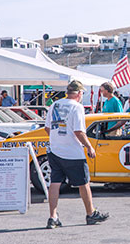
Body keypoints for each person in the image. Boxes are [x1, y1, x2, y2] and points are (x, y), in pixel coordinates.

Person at [45, 80, 109, 229]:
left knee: (55, 183)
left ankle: (52, 216)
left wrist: (58, 139)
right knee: (83, 183)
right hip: (72, 152)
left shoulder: (54, 104)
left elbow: (48, 128)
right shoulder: (77, 107)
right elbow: (79, 131)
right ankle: (90, 213)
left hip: (55, 150)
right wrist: (89, 146)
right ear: (79, 93)